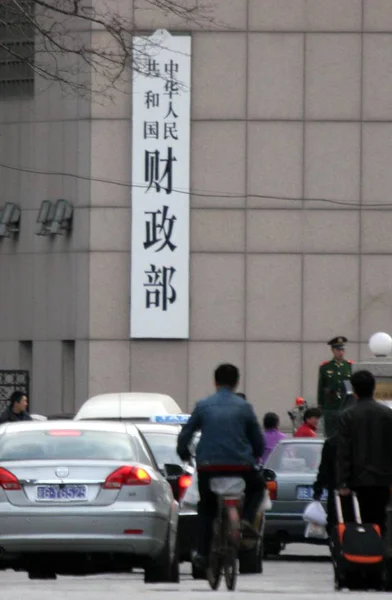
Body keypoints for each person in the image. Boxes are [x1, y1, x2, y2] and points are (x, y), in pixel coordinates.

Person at [177, 364, 265, 569]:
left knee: (206, 507)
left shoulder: (203, 405)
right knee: (257, 487)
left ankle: (204, 553)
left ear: (215, 382)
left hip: (208, 467)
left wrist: (183, 453)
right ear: (236, 383)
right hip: (241, 467)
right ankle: (246, 520)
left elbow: (186, 435)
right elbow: (258, 441)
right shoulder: (245, 407)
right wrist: (256, 455)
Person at [337, 370, 392, 533]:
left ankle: (361, 554)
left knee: (358, 523)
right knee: (380, 521)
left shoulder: (347, 415)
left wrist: (343, 482)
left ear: (353, 390)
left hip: (357, 480)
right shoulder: (387, 414)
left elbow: (344, 451)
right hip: (382, 480)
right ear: (373, 388)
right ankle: (379, 553)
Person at [317, 336, 354, 437]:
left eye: (342, 350)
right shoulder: (325, 367)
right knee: (330, 435)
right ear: (333, 350)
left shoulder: (350, 366)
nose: (341, 352)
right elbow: (321, 387)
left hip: (346, 405)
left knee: (346, 434)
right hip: (330, 406)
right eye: (338, 350)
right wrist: (321, 405)